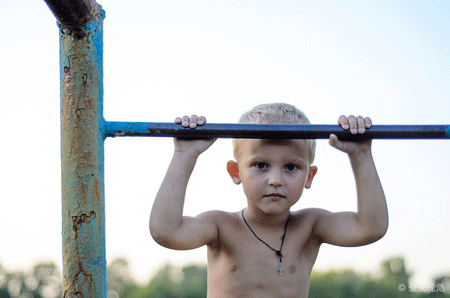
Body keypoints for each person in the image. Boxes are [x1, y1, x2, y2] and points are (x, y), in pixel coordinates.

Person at [150, 103, 388, 298]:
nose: (275, 180)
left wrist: (361, 155)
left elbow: (371, 228)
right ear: (236, 172)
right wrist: (184, 154)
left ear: (309, 176)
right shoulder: (220, 226)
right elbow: (165, 231)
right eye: (260, 165)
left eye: (291, 167)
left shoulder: (310, 226)